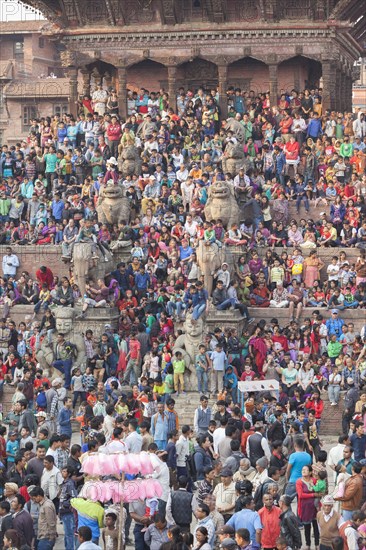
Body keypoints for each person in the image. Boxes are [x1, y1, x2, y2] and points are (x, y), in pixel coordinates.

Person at [29, 486, 57, 550]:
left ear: (39, 496)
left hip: (46, 538)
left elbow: (51, 523)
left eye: (34, 498)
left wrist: (51, 538)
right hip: (43, 536)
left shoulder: (47, 506)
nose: (34, 500)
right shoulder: (43, 504)